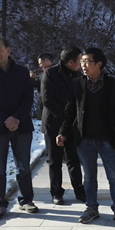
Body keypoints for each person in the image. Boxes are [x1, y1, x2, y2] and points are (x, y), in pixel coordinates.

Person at [57, 47, 115, 226]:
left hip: (107, 139)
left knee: (114, 177)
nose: (83, 65)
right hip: (85, 139)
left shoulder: (113, 84)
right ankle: (91, 208)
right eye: (82, 62)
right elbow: (70, 111)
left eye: (87, 62)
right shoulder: (77, 83)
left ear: (99, 64)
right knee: (89, 177)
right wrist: (63, 132)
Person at [0, 35, 39, 218]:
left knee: (23, 166)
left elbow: (28, 98)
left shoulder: (21, 72)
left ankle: (26, 200)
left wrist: (16, 118)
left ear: (8, 51)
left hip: (22, 126)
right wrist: (6, 119)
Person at [40, 46, 86, 205]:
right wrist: (66, 117)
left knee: (73, 159)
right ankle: (56, 192)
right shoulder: (50, 73)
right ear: (71, 62)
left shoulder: (78, 75)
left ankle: (79, 190)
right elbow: (47, 100)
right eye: (80, 60)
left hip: (72, 125)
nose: (82, 63)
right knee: (55, 160)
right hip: (53, 124)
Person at [29, 52, 54, 120]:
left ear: (46, 60)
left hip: (50, 106)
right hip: (42, 104)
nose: (40, 66)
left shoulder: (53, 71)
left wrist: (35, 78)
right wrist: (32, 79)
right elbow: (37, 84)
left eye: (40, 63)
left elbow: (46, 84)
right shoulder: (43, 72)